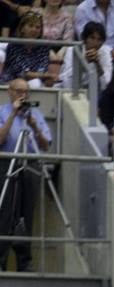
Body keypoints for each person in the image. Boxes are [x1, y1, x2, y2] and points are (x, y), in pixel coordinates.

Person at [0, 78, 52, 272]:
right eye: (19, 91)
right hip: (6, 162)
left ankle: (24, 261)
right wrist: (13, 114)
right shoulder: (2, 112)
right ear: (10, 92)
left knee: (27, 214)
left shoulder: (35, 114)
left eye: (26, 92)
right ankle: (1, 260)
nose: (23, 95)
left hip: (30, 164)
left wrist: (34, 125)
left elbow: (45, 145)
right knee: (5, 213)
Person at [60, 21, 113, 92]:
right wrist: (84, 62)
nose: (95, 43)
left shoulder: (105, 52)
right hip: (74, 91)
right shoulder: (73, 50)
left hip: (93, 91)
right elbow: (67, 83)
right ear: (85, 38)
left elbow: (107, 85)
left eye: (99, 39)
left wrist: (98, 65)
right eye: (92, 38)